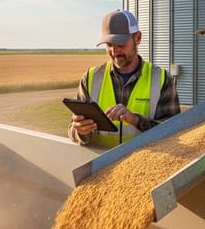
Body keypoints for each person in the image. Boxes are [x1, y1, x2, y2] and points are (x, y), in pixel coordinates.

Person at [68, 9, 181, 147]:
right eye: (109, 45)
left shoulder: (162, 79)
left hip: (145, 166)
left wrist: (135, 120)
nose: (115, 52)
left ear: (138, 38)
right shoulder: (91, 77)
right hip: (100, 166)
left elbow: (175, 132)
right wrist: (80, 131)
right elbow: (72, 130)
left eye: (121, 45)